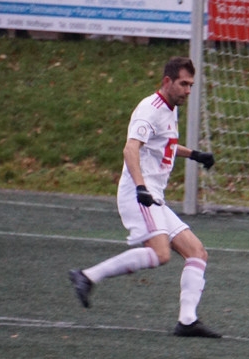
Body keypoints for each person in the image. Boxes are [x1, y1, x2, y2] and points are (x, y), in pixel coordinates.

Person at [68, 56, 221, 338]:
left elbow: (164, 144)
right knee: (160, 254)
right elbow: (131, 149)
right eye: (183, 84)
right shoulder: (148, 110)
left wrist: (195, 155)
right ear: (167, 82)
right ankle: (88, 276)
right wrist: (141, 188)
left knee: (197, 252)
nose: (188, 90)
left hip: (153, 194)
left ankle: (187, 321)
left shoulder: (170, 107)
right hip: (139, 194)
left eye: (191, 85)